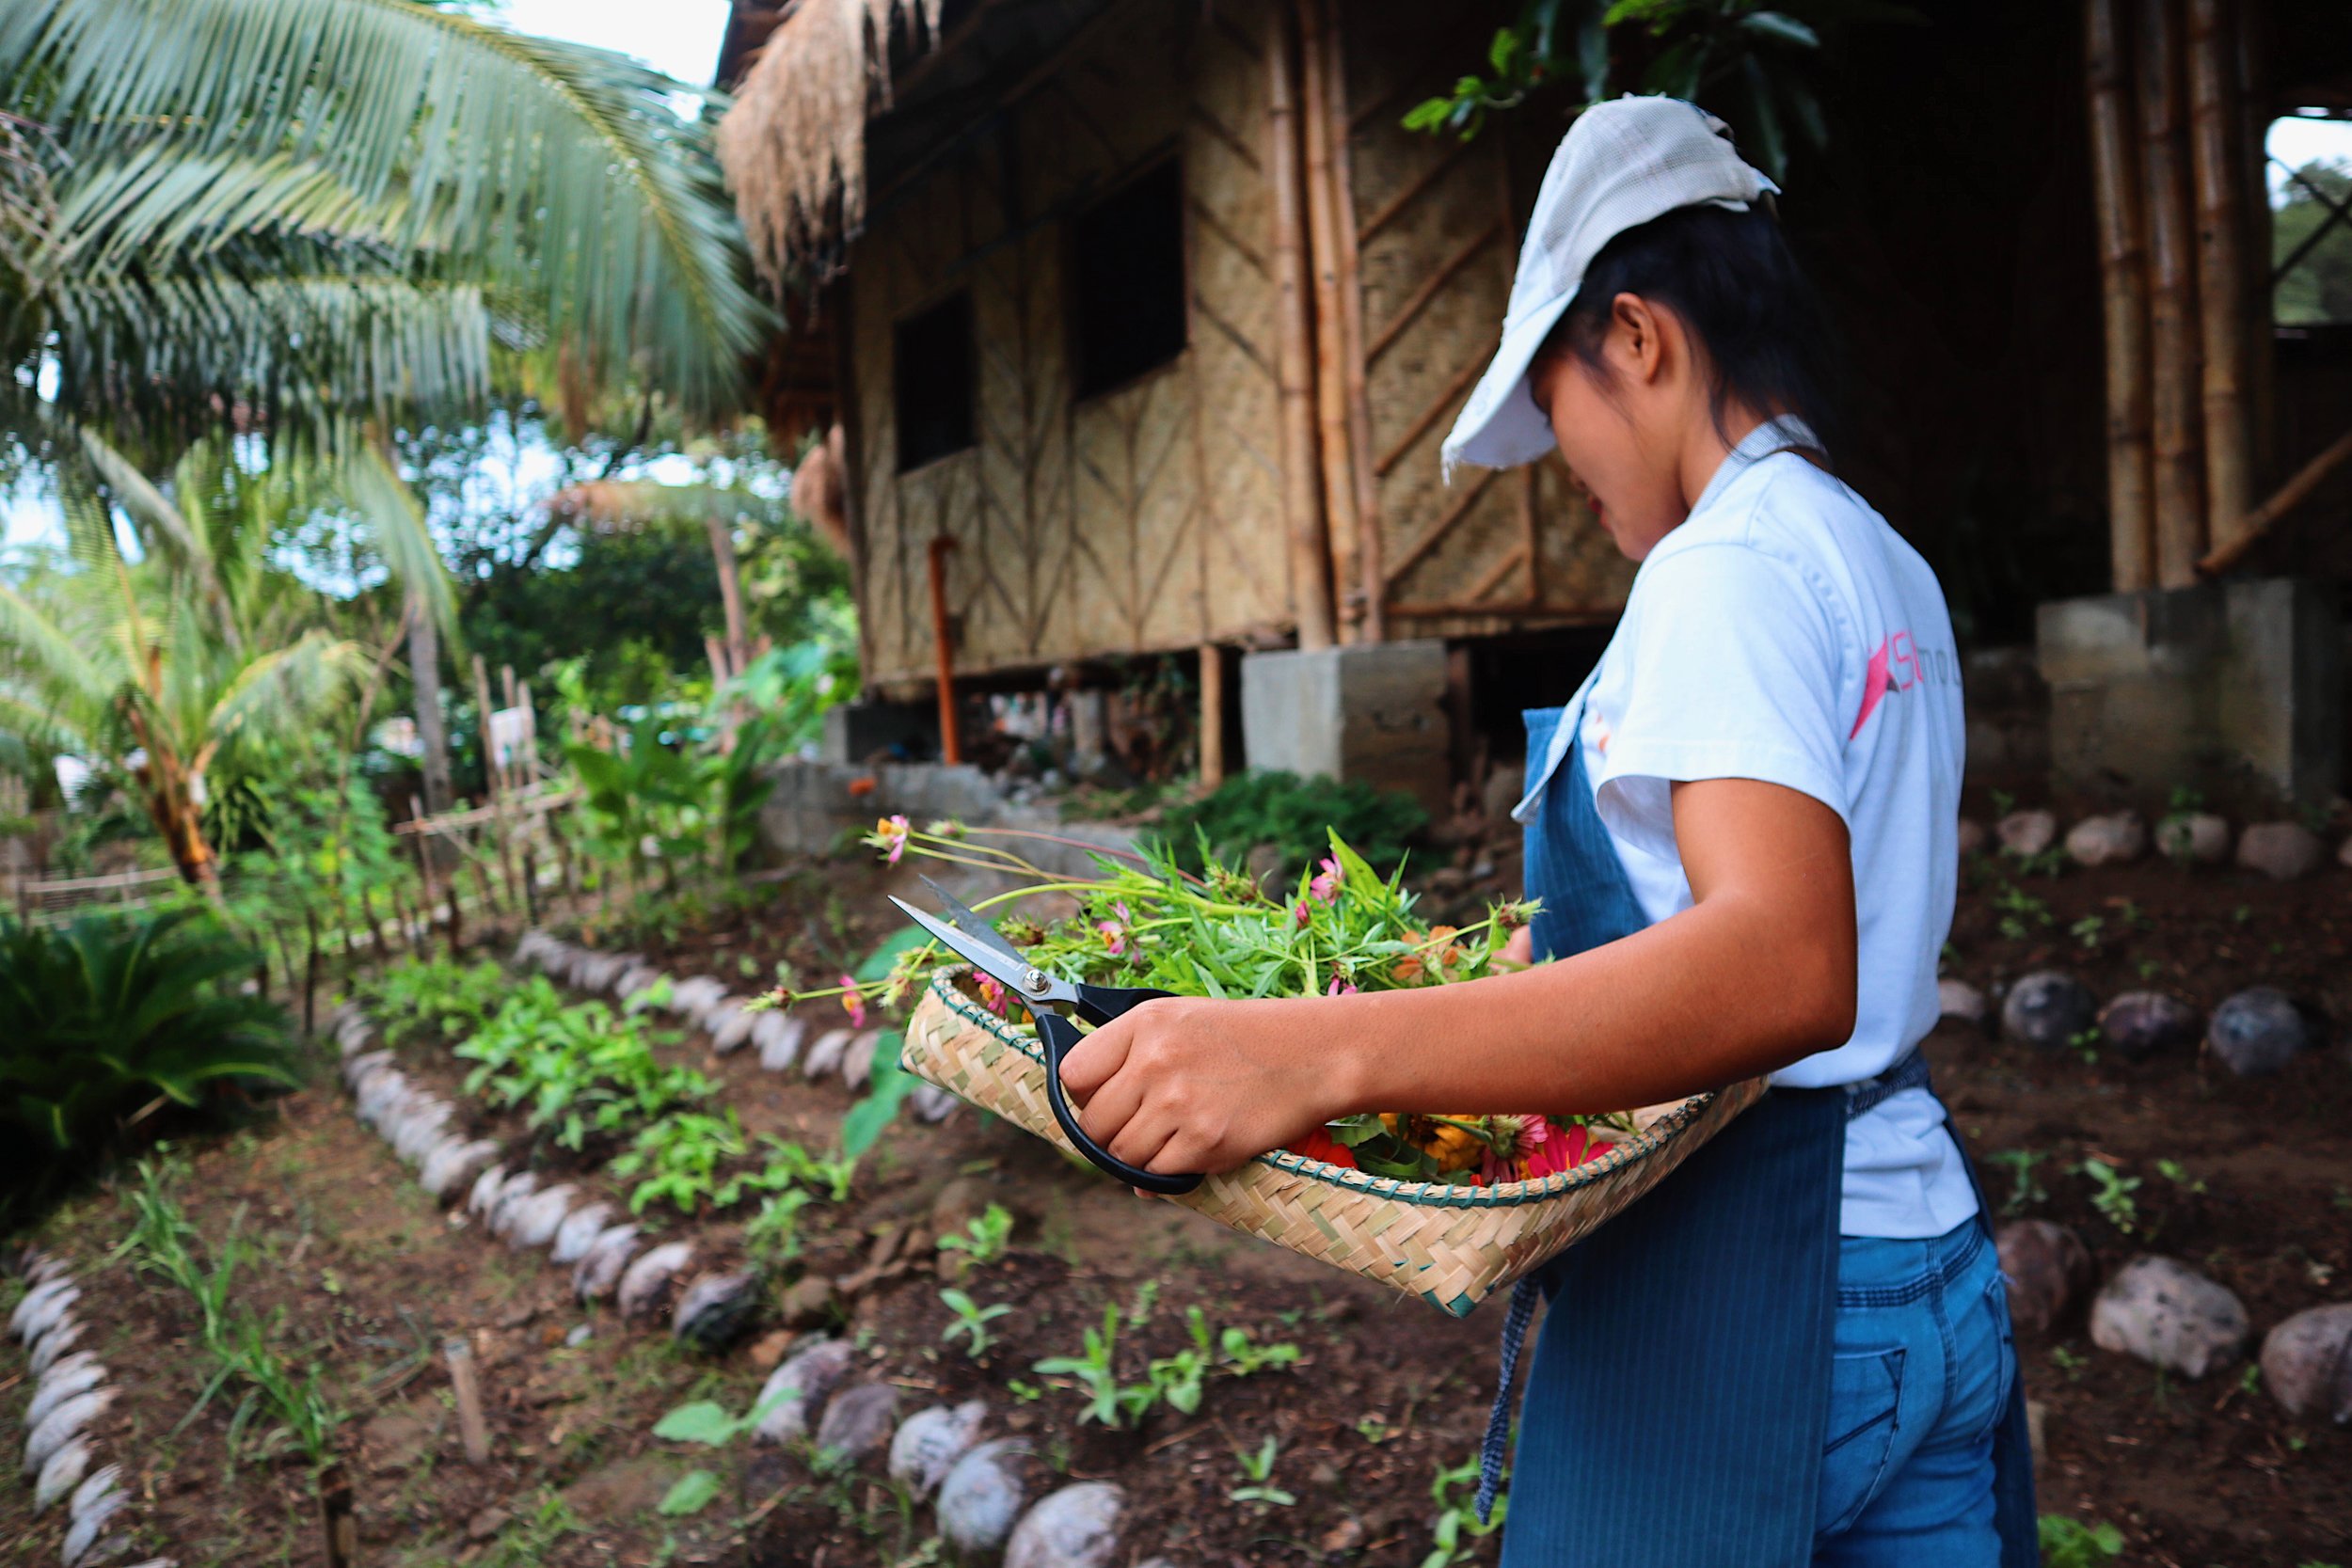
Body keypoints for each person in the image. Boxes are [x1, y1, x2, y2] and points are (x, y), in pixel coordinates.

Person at [1055, 97, 2035, 1566]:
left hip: (1761, 1299)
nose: (1560, 467)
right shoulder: (1869, 550)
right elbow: (1762, 909)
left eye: (1556, 400)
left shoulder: (1725, 571)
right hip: (1927, 1260)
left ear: (1638, 338)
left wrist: (1310, 1050)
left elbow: (1780, 964)